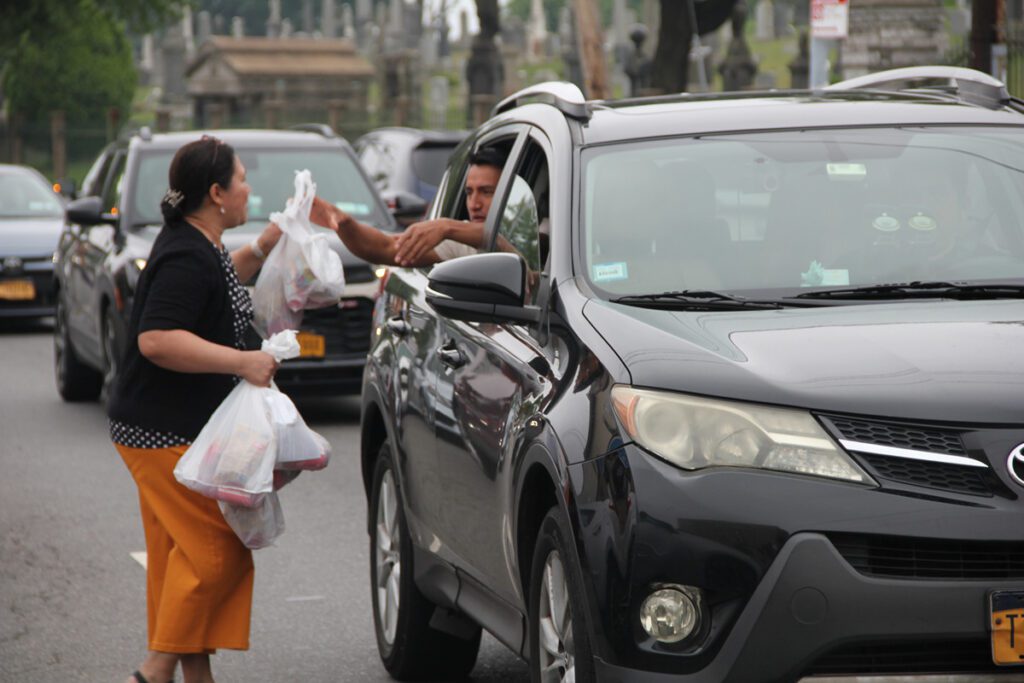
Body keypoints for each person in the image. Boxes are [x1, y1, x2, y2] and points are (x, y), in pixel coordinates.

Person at [107, 135, 286, 683]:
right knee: (217, 554)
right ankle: (154, 671)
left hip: (162, 425)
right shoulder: (187, 251)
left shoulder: (196, 243)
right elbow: (156, 339)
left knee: (177, 559)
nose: (248, 189)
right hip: (163, 432)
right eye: (241, 180)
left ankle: (193, 676)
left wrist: (262, 248)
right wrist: (242, 361)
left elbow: (214, 282)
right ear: (216, 192)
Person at [311, 148, 506, 267]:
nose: (474, 204)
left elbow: (510, 246)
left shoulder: (533, 236)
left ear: (513, 193)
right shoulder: (459, 241)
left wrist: (446, 227)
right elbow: (384, 247)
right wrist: (344, 223)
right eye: (469, 193)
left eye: (487, 192)